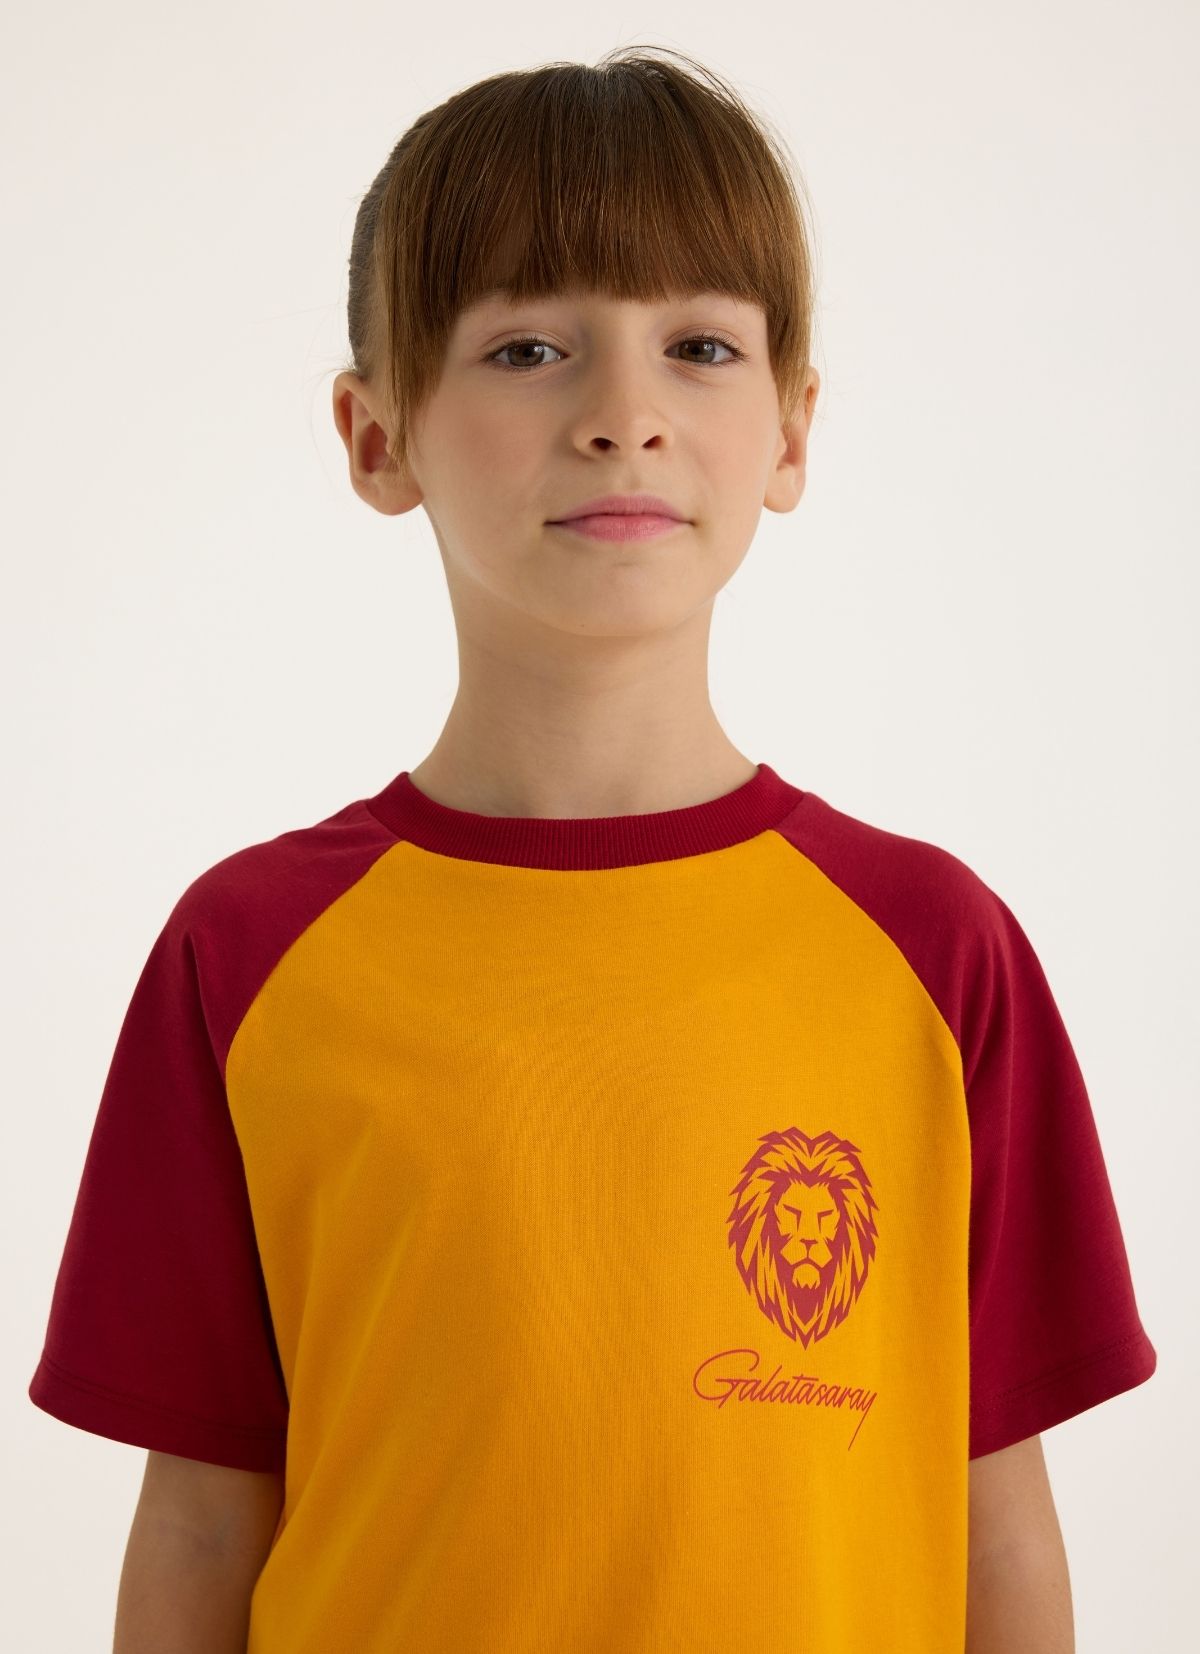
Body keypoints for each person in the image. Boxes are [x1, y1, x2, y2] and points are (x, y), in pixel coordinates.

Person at [29, 45, 1156, 1654]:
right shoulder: (248, 954)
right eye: (529, 348)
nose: (624, 418)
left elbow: (997, 1522)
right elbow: (204, 1520)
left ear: (792, 431)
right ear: (376, 435)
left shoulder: (935, 947)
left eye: (699, 347)